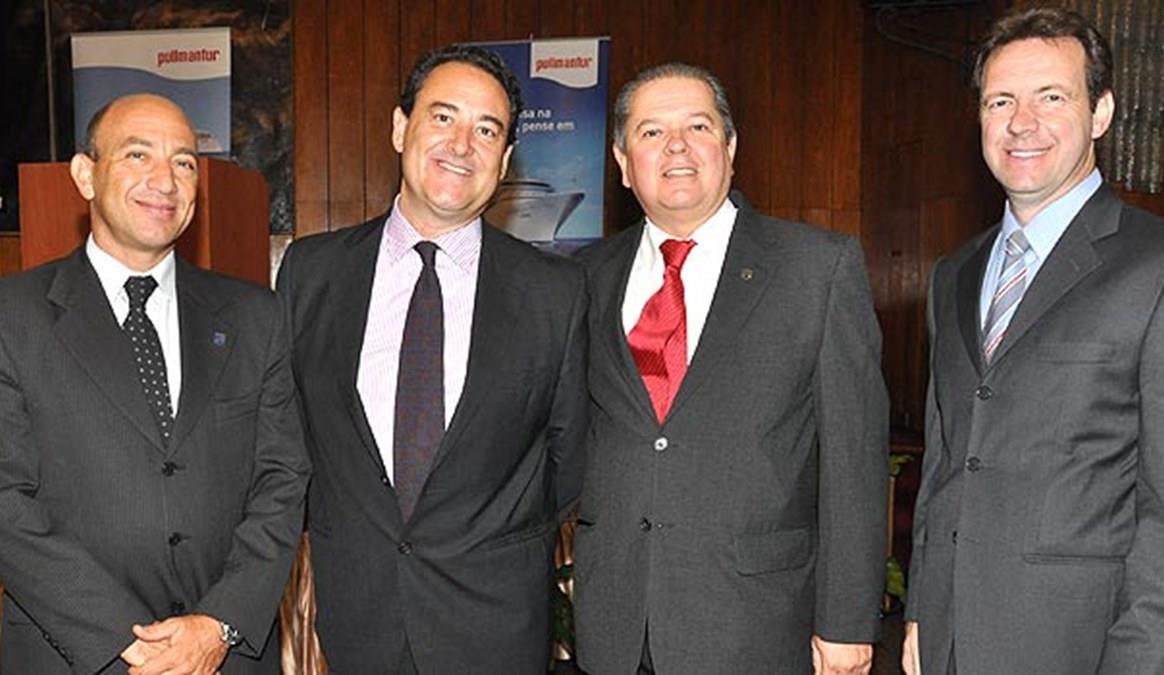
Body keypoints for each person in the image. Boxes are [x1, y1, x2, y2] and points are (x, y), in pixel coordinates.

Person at [903, 7, 1164, 674]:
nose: (1021, 122)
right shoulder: (954, 274)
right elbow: (947, 465)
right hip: (948, 642)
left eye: (1051, 97)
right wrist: (922, 608)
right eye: (1000, 100)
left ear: (1101, 113)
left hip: (1081, 648)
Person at [276, 44, 587, 673]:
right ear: (400, 128)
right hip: (356, 624)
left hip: (496, 631)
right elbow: (287, 438)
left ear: (504, 160)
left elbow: (570, 463)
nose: (461, 144)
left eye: (487, 130)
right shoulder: (312, 272)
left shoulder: (555, 292)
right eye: (443, 117)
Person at [573, 62, 889, 675]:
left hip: (755, 624)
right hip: (616, 623)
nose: (677, 147)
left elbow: (854, 461)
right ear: (622, 162)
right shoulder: (584, 278)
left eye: (698, 126)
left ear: (731, 148)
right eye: (651, 132)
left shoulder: (816, 269)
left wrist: (847, 622)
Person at [0, 93, 310, 674]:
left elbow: (283, 480)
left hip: (224, 654)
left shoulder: (255, 317)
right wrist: (131, 641)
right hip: (72, 653)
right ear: (85, 175)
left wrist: (218, 624)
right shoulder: (13, 316)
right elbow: (5, 501)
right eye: (137, 154)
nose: (164, 180)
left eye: (184, 162)